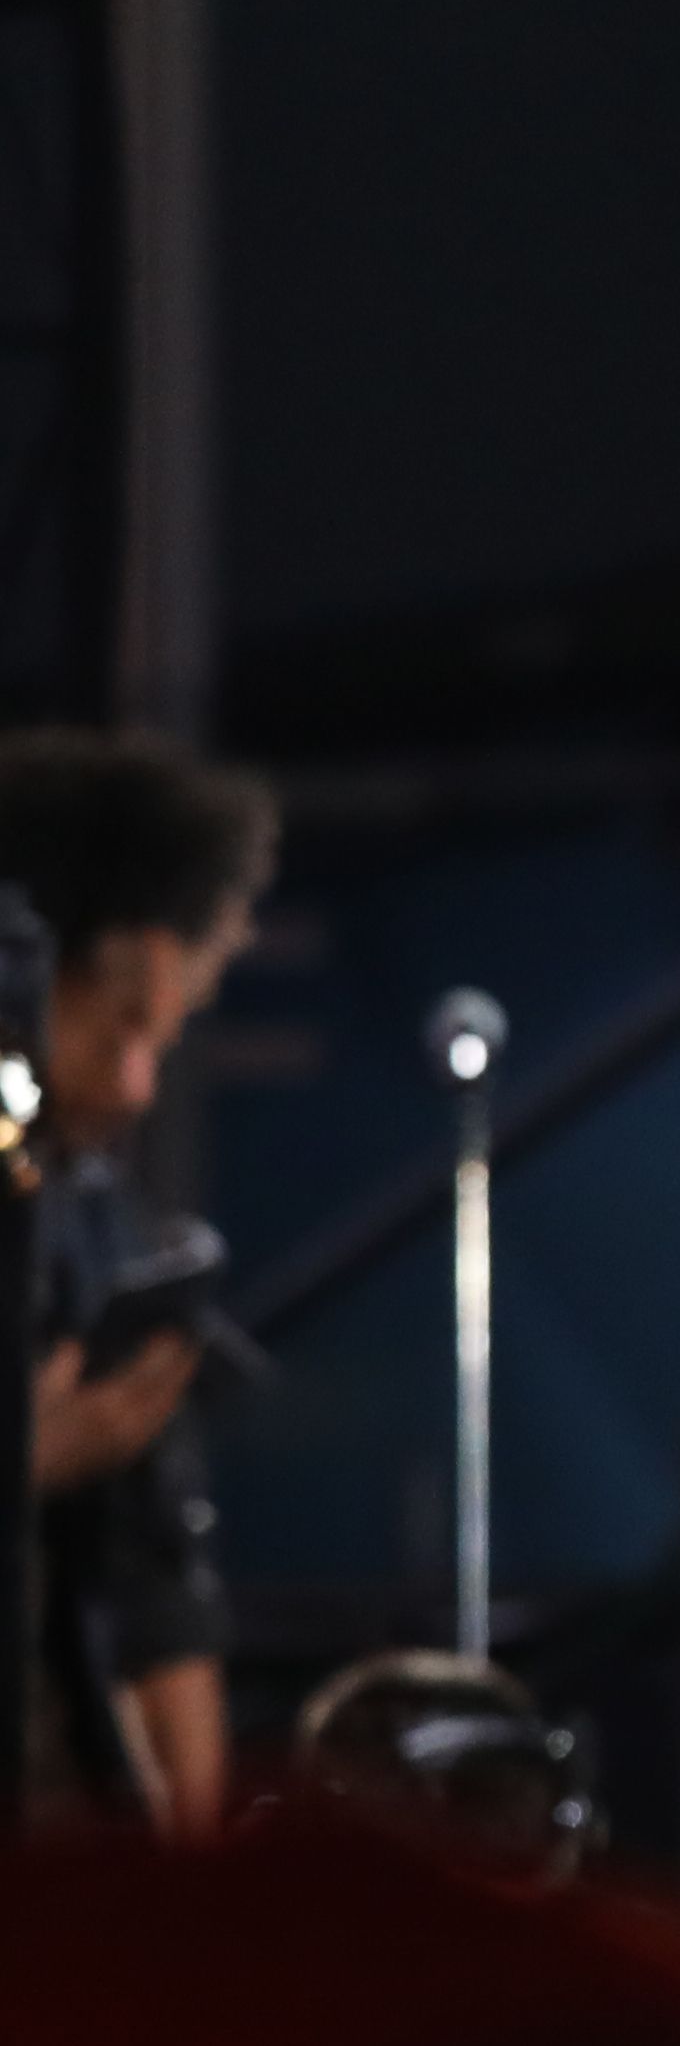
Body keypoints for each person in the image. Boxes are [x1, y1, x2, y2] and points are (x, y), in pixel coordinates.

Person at [0, 732, 275, 1832]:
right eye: (165, 1020)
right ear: (144, 969)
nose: (143, 1077)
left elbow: (157, 1592)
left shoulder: (92, 1221)